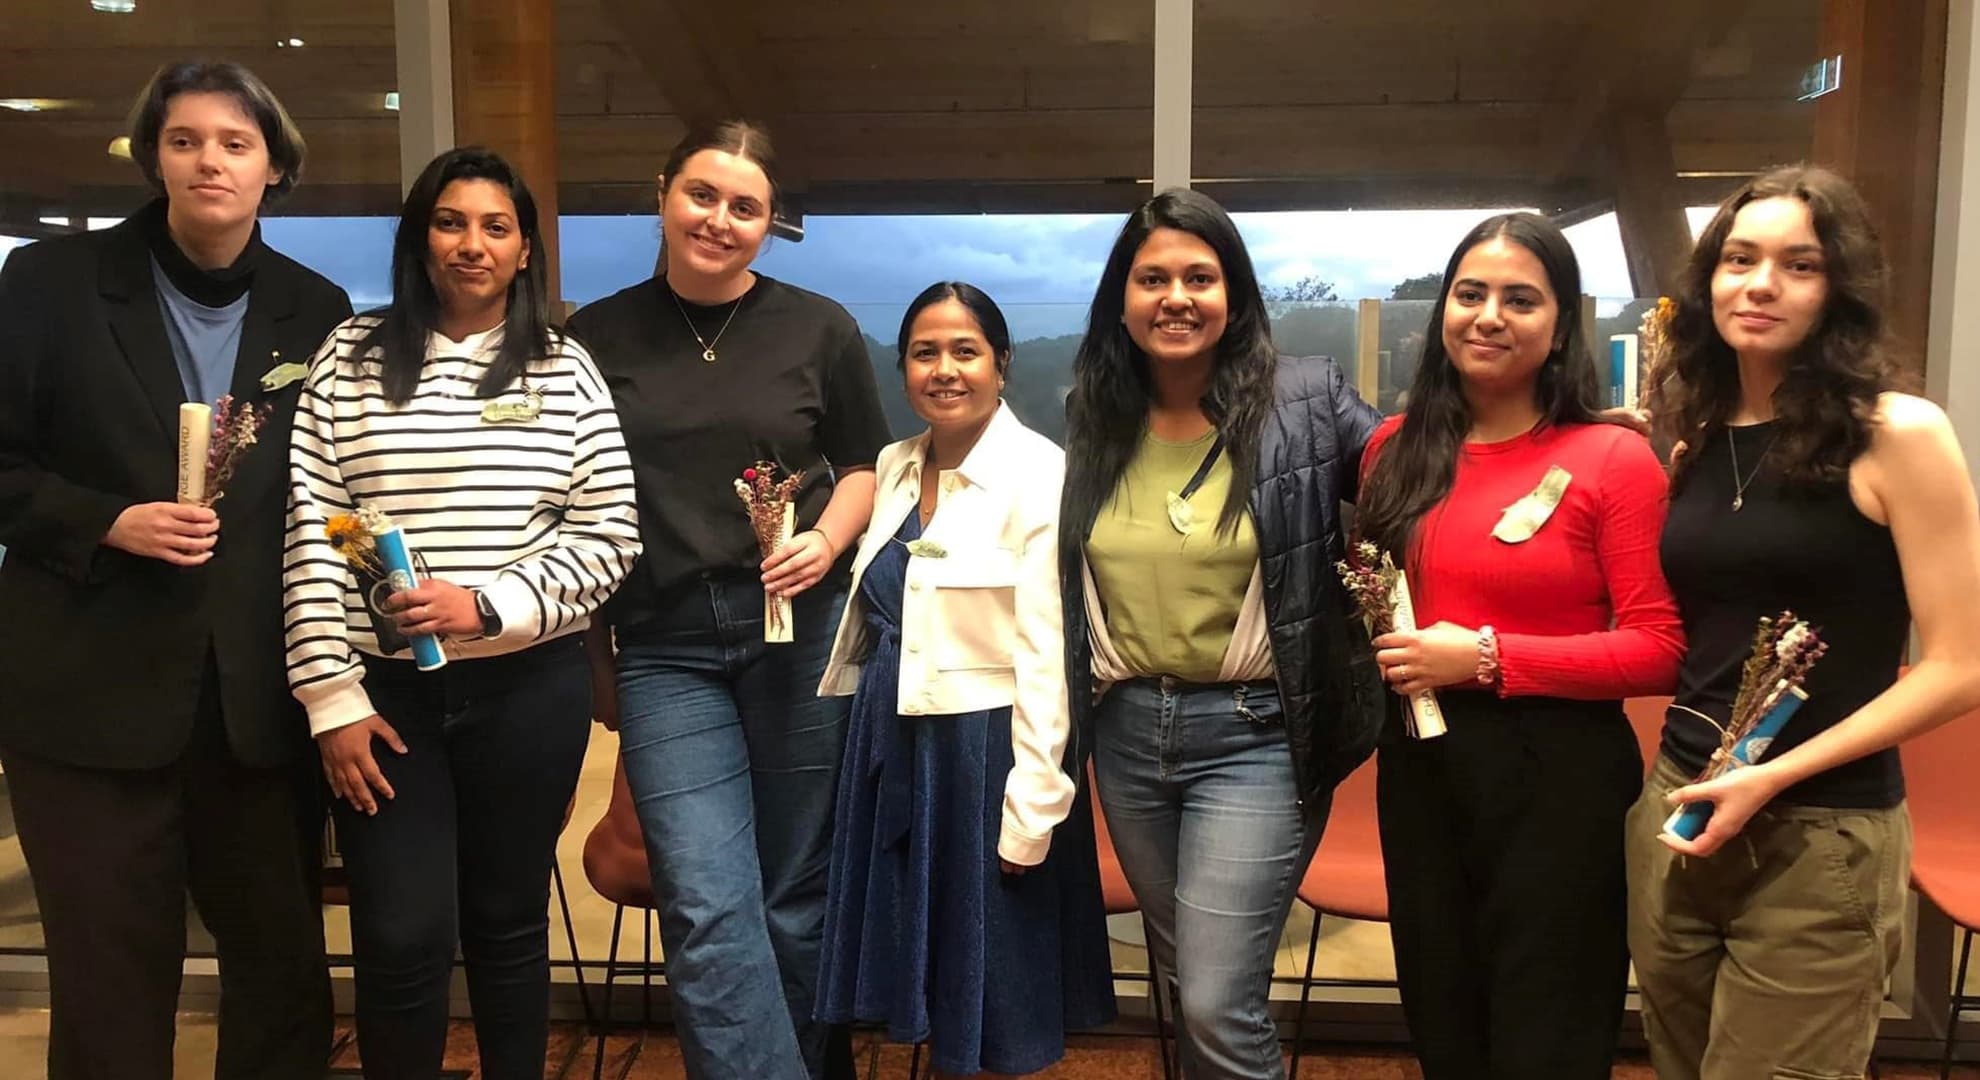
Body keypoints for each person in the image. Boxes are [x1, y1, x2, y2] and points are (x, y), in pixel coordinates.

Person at [0, 61, 348, 1080]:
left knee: (283, 981)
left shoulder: (315, 309)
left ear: (274, 167)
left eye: (236, 144)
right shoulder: (50, 285)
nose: (209, 161)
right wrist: (107, 519)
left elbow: (331, 497)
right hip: (85, 701)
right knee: (111, 987)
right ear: (154, 154)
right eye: (186, 139)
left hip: (255, 707)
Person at [282, 146, 640, 1079]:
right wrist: (332, 699)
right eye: (451, 222)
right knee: (400, 936)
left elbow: (611, 536)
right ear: (420, 237)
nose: (471, 244)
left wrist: (485, 604)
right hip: (385, 704)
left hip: (529, 689)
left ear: (526, 250)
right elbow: (315, 532)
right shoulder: (349, 357)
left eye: (496, 226)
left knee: (508, 926)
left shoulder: (563, 367)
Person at [1628, 163, 1980, 1080]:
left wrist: (1770, 776)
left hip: (1821, 830)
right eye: (1739, 259)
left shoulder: (1898, 434)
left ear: (1840, 289)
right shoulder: (1696, 437)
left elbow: (1961, 665)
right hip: (1679, 804)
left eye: (1799, 264)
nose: (1760, 284)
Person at [569, 120, 891, 1079]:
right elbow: (574, 495)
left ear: (769, 223)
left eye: (745, 207)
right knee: (707, 902)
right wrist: (595, 656)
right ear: (663, 192)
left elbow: (863, 467)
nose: (719, 220)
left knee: (798, 894)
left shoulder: (819, 326)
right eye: (702, 196)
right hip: (666, 644)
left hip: (802, 634)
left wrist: (826, 539)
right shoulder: (594, 336)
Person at [1058, 188, 1385, 1080]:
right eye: (1152, 277)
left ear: (1233, 295)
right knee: (1193, 983)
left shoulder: (1306, 399)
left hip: (1256, 737)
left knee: (1213, 999)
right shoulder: (1096, 419)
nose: (1176, 296)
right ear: (1120, 299)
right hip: (1126, 738)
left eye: (1199, 277)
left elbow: (1408, 465)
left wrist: (1539, 447)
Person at [1354, 212, 1684, 1079]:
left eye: (1520, 299)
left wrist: (1491, 657)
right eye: (1470, 294)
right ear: (1442, 313)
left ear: (1562, 324)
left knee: (1548, 1033)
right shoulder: (1393, 450)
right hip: (1421, 769)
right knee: (1443, 1019)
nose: (1489, 315)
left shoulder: (1614, 458)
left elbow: (1659, 649)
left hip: (1558, 778)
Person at [814, 282, 1115, 1076]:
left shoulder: (1039, 472)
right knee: (917, 982)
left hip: (986, 754)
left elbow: (1050, 650)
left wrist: (1034, 806)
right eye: (924, 352)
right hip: (890, 735)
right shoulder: (894, 465)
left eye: (965, 351)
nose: (943, 370)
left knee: (993, 991)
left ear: (1002, 364)